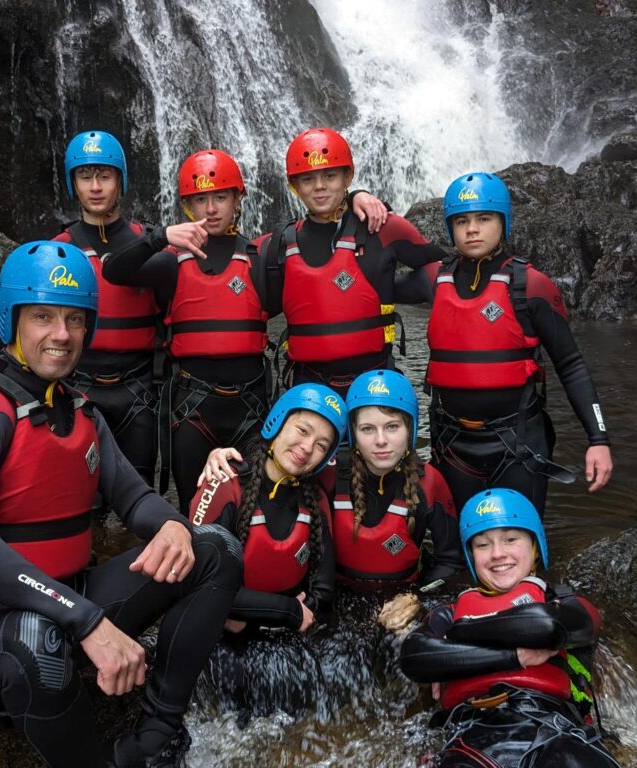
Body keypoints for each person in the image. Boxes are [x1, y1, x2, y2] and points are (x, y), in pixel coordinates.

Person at [0, 241, 242, 768]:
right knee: (38, 637)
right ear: (12, 320)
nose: (62, 334)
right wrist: (86, 621)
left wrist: (171, 525)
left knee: (211, 547)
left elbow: (134, 495)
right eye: (43, 317)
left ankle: (155, 736)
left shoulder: (78, 409)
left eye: (75, 319)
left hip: (66, 610)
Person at [396, 171, 613, 515]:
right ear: (450, 227)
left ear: (503, 222)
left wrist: (598, 440)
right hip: (453, 444)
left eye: (484, 218)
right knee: (460, 549)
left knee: (521, 546)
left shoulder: (532, 286)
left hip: (518, 444)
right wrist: (359, 201)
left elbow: (571, 366)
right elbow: (374, 281)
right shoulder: (433, 279)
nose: (472, 229)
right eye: (462, 220)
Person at [399, 488, 620, 767]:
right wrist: (514, 657)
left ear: (534, 546)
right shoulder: (448, 613)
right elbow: (414, 656)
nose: (497, 554)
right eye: (482, 545)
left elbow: (545, 626)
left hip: (554, 727)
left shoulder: (563, 602)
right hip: (471, 732)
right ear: (471, 556)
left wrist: (459, 639)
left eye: (511, 539)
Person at [101, 149, 269, 514]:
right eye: (200, 199)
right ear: (187, 205)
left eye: (220, 197)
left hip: (250, 406)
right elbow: (114, 270)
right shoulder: (170, 262)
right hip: (193, 409)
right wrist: (159, 237)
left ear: (238, 199)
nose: (211, 209)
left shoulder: (263, 256)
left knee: (254, 510)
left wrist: (356, 198)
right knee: (194, 511)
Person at [254, 127, 448, 397]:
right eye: (308, 179)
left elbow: (449, 263)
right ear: (294, 186)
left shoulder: (383, 229)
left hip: (375, 381)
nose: (320, 186)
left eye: (330, 176)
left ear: (348, 176)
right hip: (307, 386)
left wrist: (393, 288)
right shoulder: (277, 245)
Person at [52, 130, 166, 486]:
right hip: (79, 386)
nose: (95, 186)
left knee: (142, 494)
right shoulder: (58, 249)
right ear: (74, 183)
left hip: (139, 389)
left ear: (121, 180)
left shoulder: (150, 243)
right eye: (85, 177)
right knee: (85, 500)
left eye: (105, 175)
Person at [189, 384, 347, 633]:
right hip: (230, 630)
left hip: (286, 627)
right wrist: (283, 612)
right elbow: (201, 585)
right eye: (303, 430)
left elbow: (323, 589)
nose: (307, 447)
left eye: (321, 445)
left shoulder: (316, 499)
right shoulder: (224, 483)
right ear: (278, 421)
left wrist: (285, 615)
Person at [327, 369, 463, 598]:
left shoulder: (429, 482)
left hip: (403, 596)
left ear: (410, 428)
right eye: (367, 429)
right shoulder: (329, 474)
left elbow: (450, 561)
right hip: (338, 597)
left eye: (392, 427)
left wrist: (416, 599)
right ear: (353, 434)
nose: (381, 440)